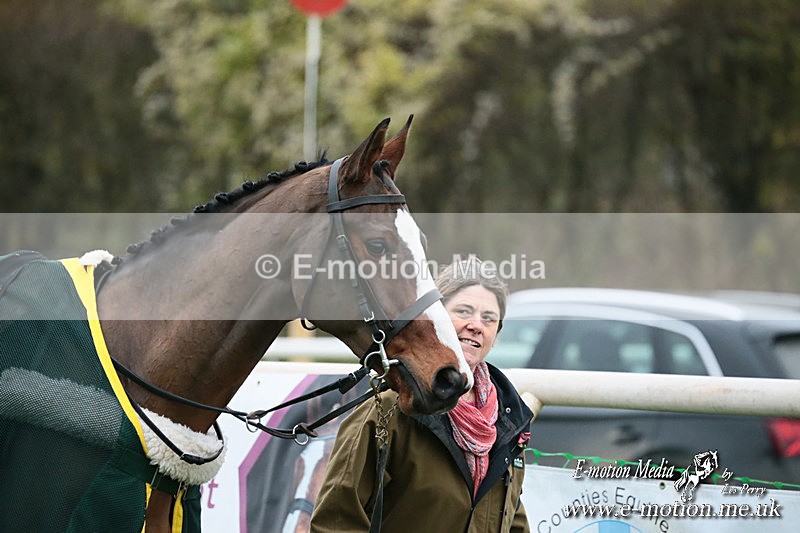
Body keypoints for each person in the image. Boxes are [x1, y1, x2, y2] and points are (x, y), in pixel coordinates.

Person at [309, 258, 533, 533]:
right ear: (433, 318)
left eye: (489, 318)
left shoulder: (509, 420)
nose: (476, 325)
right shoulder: (387, 407)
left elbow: (512, 520)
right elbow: (335, 522)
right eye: (464, 311)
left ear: (495, 334)